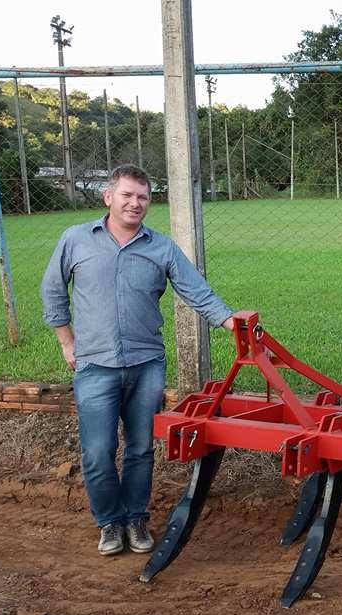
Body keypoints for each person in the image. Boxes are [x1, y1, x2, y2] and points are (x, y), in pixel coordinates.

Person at [41, 164, 239, 557]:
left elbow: (197, 292)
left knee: (140, 448)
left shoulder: (160, 247)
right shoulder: (76, 239)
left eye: (143, 197)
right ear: (108, 197)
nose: (135, 203)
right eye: (128, 195)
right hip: (94, 365)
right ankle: (109, 523)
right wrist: (67, 342)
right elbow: (52, 290)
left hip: (146, 363)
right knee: (97, 452)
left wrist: (232, 321)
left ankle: (135, 518)